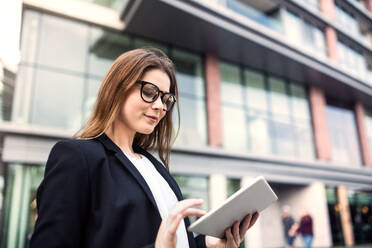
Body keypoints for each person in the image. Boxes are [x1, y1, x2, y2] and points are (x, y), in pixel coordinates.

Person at [30, 48, 259, 248]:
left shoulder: (155, 168)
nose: (160, 106)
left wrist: (209, 244)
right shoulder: (77, 157)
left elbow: (173, 240)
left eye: (166, 99)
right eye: (149, 92)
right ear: (117, 89)